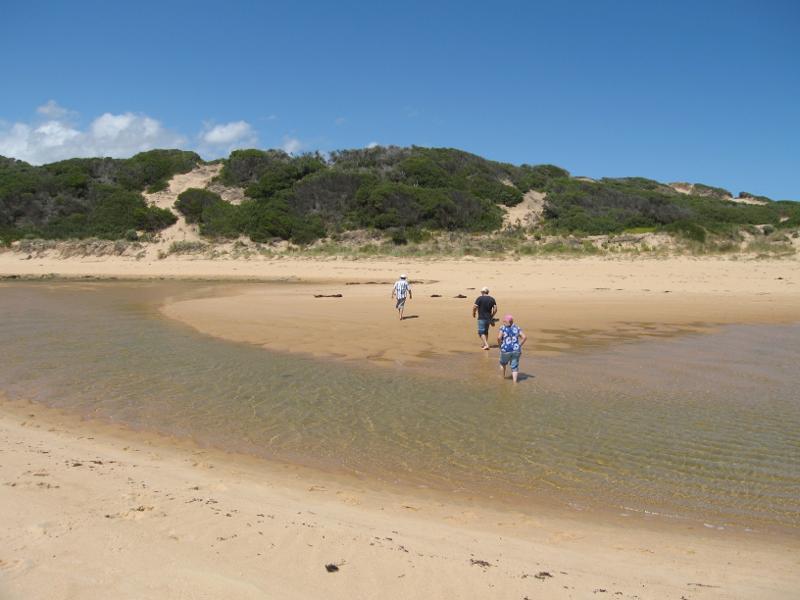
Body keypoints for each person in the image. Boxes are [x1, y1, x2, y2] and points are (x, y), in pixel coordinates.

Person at [497, 314, 527, 383]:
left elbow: (498, 338)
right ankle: (514, 382)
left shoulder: (503, 327)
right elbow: (524, 337)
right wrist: (519, 345)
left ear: (506, 322)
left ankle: (502, 378)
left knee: (502, 363)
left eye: (504, 321)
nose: (504, 322)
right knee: (514, 367)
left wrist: (500, 345)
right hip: (516, 350)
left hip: (506, 350)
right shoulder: (517, 327)